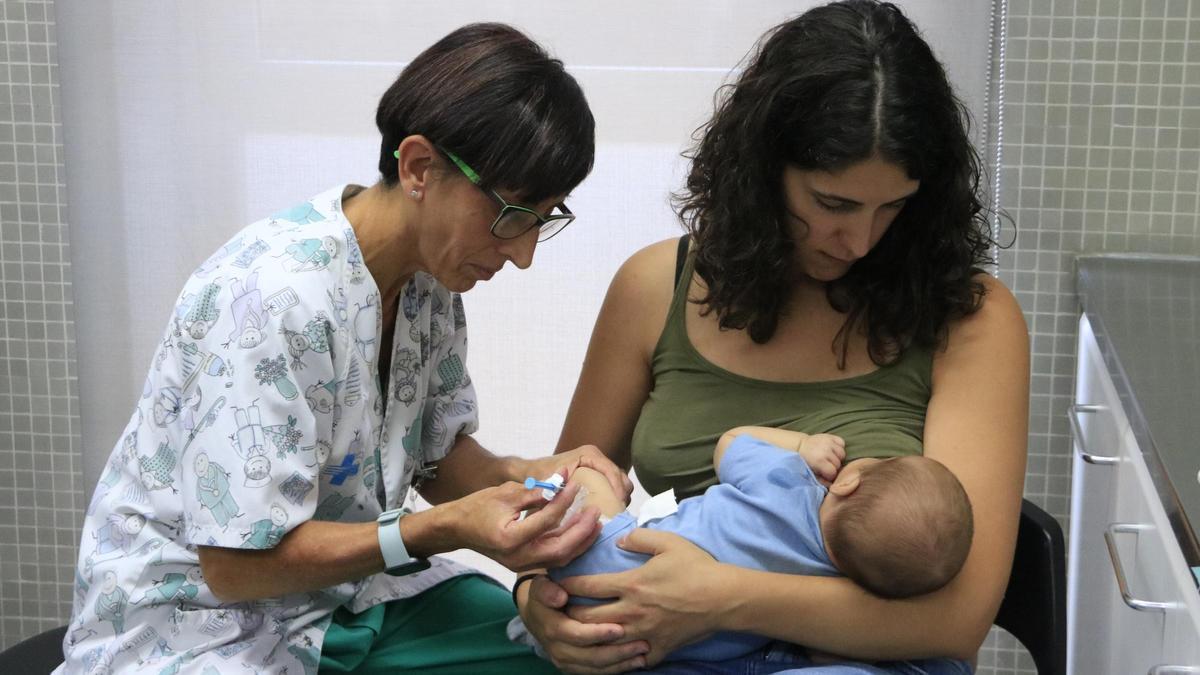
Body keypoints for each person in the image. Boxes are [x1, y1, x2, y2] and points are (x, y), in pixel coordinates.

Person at [61, 23, 632, 675]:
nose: (522, 253)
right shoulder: (267, 297)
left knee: (558, 657)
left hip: (342, 595)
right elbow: (235, 564)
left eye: (543, 220)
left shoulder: (428, 279)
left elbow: (433, 454)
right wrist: (443, 528)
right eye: (512, 214)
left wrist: (530, 478)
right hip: (197, 622)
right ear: (419, 167)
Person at [516, 1, 1030, 673]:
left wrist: (724, 599)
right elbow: (561, 510)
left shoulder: (970, 317)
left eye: (894, 206)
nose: (862, 239)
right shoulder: (654, 288)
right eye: (833, 203)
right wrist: (536, 603)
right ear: (763, 172)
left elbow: (954, 622)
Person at [512, 427, 973, 666]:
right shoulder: (831, 588)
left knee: (587, 470)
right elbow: (825, 654)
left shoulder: (789, 481)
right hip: (649, 649)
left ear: (850, 480)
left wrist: (802, 446)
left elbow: (730, 443)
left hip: (605, 557)